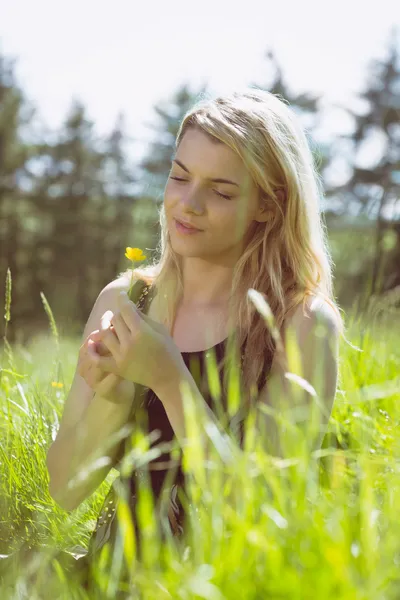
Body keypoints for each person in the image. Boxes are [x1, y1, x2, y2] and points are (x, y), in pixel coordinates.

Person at [46, 87, 344, 588]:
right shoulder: (125, 302)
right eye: (179, 176)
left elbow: (258, 511)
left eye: (222, 191)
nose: (188, 203)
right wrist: (114, 392)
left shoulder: (301, 324)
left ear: (269, 206)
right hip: (111, 577)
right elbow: (64, 489)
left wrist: (167, 378)